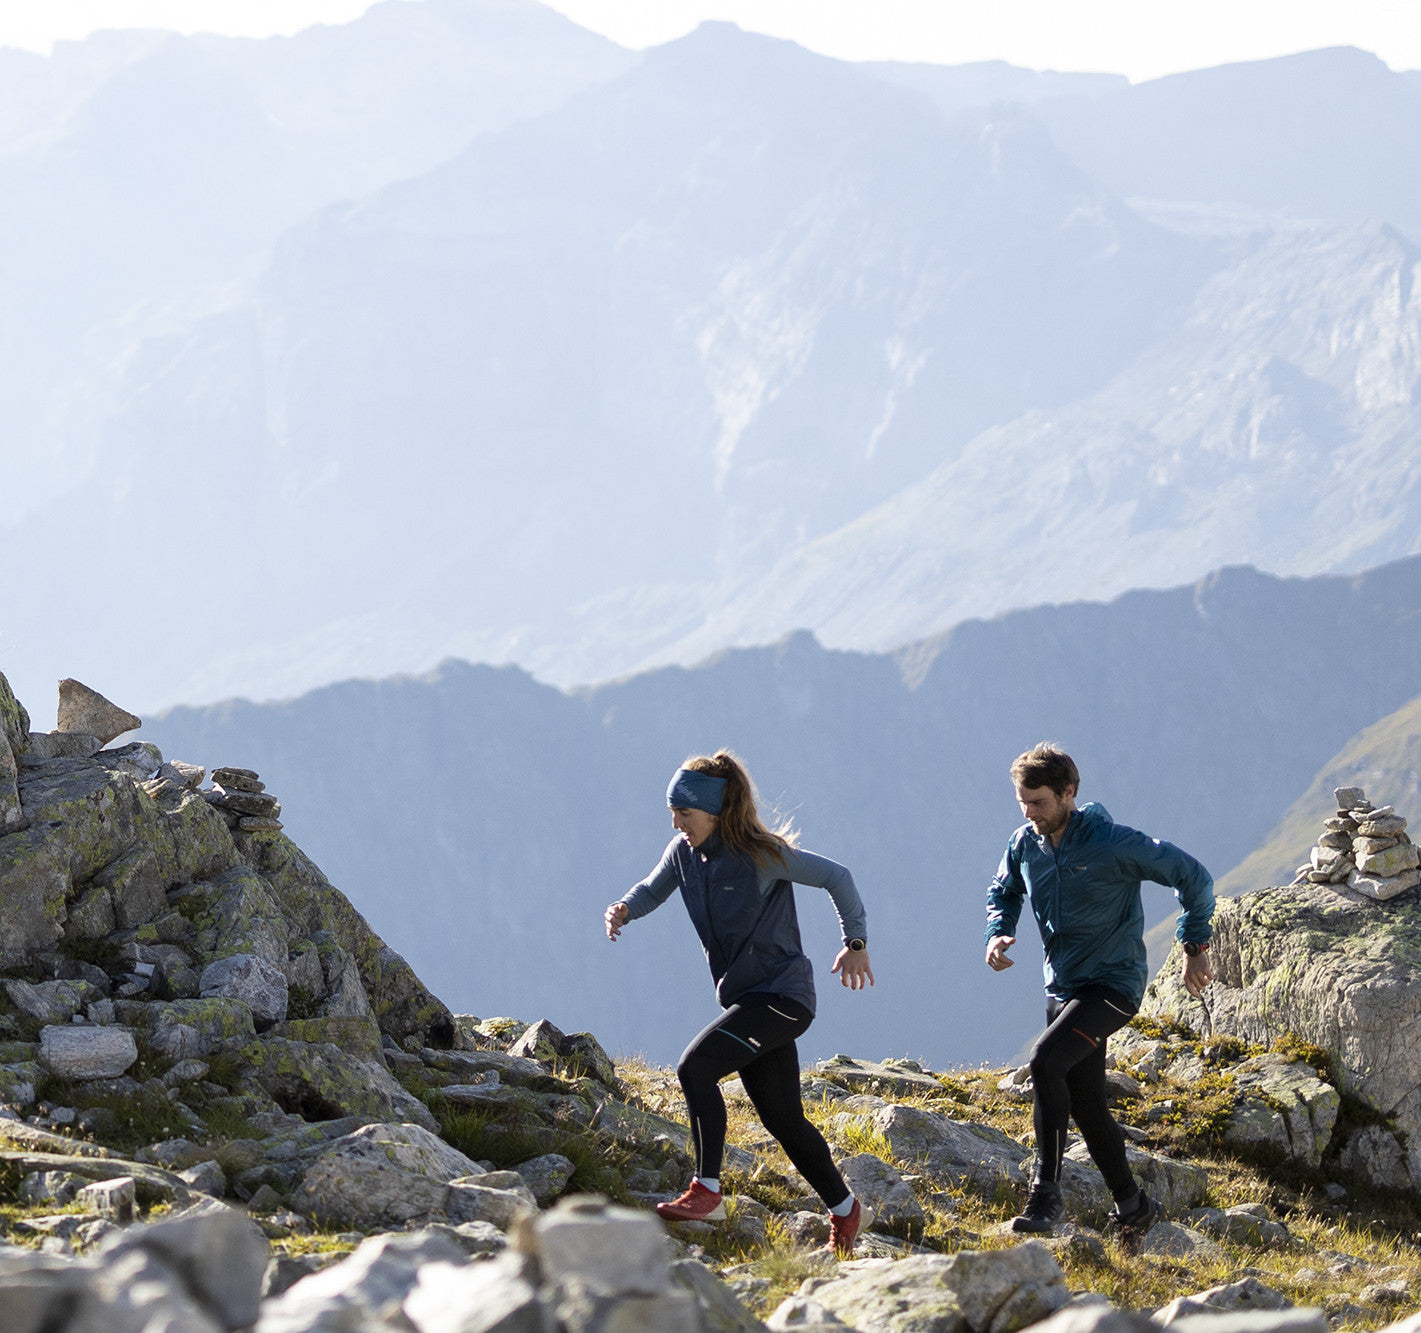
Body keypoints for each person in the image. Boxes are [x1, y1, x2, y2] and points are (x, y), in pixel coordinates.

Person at [605, 750, 875, 1256]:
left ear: (714, 811)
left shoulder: (760, 854)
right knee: (783, 1119)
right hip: (746, 999)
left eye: (684, 814)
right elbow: (652, 889)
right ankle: (846, 1209)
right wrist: (624, 908)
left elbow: (837, 876)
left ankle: (707, 1189)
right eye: (673, 813)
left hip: (783, 996)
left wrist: (855, 942)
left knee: (695, 1068)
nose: (676, 822)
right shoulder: (683, 852)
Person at [985, 743, 1214, 1237]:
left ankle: (1044, 1197)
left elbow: (1193, 876)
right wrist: (998, 930)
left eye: (1039, 802)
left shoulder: (1114, 843)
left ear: (1069, 793)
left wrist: (1194, 944)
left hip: (1113, 984)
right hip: (1062, 985)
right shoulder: (1025, 843)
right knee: (1085, 1101)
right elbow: (1003, 890)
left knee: (1046, 1061)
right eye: (1022, 802)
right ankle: (1133, 1206)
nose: (1029, 813)